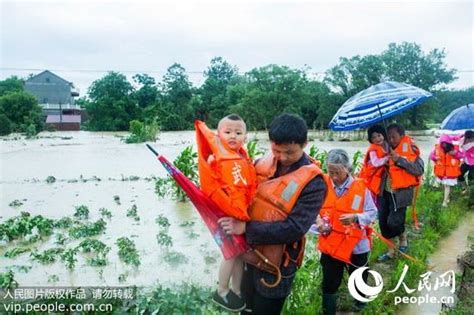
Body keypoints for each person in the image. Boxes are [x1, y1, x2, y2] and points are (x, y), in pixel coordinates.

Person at [218, 114, 327, 315]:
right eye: (277, 151)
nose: (282, 157)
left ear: (305, 144)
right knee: (244, 309)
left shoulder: (314, 182)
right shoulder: (260, 163)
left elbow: (295, 229)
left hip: (277, 266)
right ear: (270, 143)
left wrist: (245, 228)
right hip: (247, 254)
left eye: (290, 152)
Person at [195, 114, 257, 312]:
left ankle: (236, 291)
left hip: (239, 216)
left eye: (238, 133)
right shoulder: (216, 157)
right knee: (230, 254)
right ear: (218, 134)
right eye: (227, 132)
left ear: (245, 137)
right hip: (224, 217)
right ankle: (221, 290)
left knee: (239, 256)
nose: (233, 136)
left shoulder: (243, 158)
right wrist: (212, 161)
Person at [316, 149, 377, 314]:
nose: (334, 176)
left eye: (338, 172)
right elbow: (312, 211)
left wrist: (356, 217)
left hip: (356, 244)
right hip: (331, 244)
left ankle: (360, 303)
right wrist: (319, 224)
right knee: (329, 281)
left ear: (347, 168)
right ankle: (328, 310)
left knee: (358, 275)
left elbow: (372, 213)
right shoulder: (322, 186)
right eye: (331, 172)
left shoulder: (361, 188)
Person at [377, 124, 424, 262]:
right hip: (385, 191)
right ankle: (391, 251)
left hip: (401, 193)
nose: (391, 140)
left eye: (394, 137)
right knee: (383, 224)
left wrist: (399, 160)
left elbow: (419, 170)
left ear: (402, 136)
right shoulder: (384, 149)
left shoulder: (411, 149)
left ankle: (403, 236)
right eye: (389, 137)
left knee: (394, 223)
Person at [430, 134, 463, 207]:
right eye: (442, 143)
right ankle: (447, 199)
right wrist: (435, 158)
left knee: (447, 186)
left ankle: (444, 202)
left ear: (449, 143)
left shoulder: (455, 148)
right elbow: (431, 156)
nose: (444, 145)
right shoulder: (437, 148)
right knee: (444, 186)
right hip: (441, 171)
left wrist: (455, 154)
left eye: (445, 143)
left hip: (450, 171)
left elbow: (462, 155)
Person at [358, 125, 390, 201]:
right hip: (370, 175)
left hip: (378, 175)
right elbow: (375, 163)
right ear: (371, 139)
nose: (377, 139)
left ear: (383, 134)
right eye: (374, 137)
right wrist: (386, 158)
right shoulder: (373, 149)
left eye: (379, 135)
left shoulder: (387, 144)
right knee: (371, 194)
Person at [459, 130, 474, 195]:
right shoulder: (462, 139)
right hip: (465, 161)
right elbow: (454, 138)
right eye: (470, 139)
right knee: (459, 174)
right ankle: (466, 188)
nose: (471, 140)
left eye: (472, 138)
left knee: (470, 176)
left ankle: (471, 192)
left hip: (473, 162)